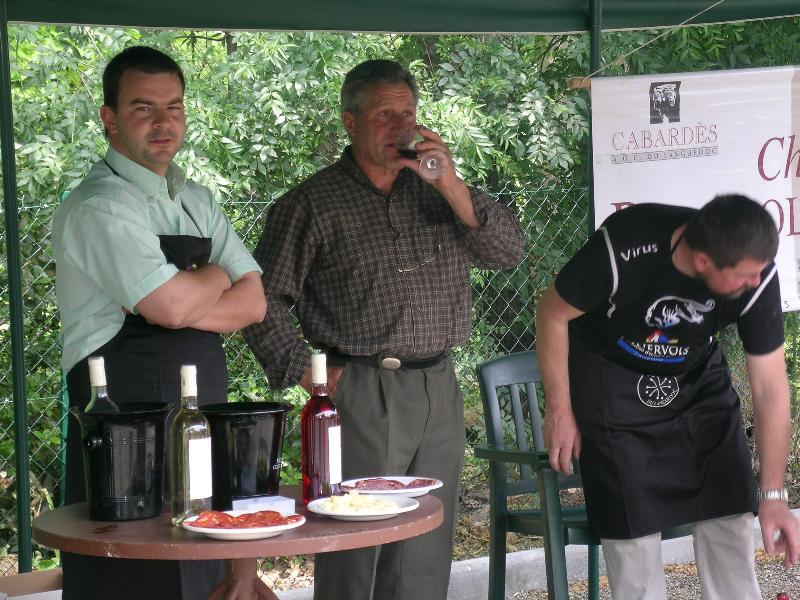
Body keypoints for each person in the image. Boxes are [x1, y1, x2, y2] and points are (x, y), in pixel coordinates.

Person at [243, 59, 524, 600]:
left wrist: (449, 181)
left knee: (426, 546)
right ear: (350, 122)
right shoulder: (312, 203)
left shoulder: (438, 189)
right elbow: (262, 300)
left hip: (438, 387)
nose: (401, 127)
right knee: (356, 542)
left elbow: (507, 251)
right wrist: (314, 376)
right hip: (361, 390)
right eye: (384, 114)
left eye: (409, 114)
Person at [51, 46, 266, 600]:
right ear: (110, 117)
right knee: (135, 568)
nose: (163, 122)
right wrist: (216, 275)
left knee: (201, 557)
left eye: (174, 107)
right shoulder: (99, 206)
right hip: (123, 419)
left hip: (201, 405)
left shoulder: (195, 199)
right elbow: (171, 309)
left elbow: (255, 303)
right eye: (144, 108)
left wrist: (191, 287)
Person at [535, 195, 800, 599]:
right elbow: (552, 313)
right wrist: (559, 409)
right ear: (703, 263)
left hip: (694, 372)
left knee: (729, 508)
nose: (756, 282)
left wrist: (774, 494)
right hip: (610, 372)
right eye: (745, 276)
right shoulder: (625, 245)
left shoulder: (756, 272)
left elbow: (770, 388)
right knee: (632, 530)